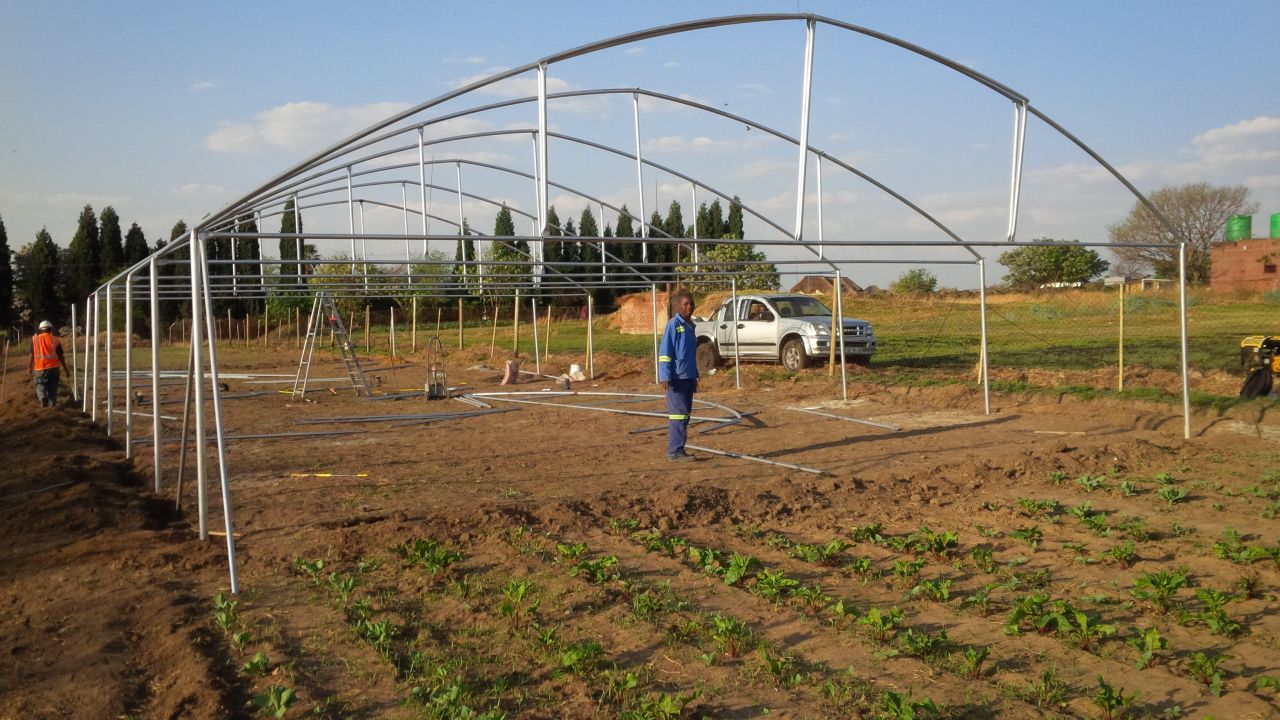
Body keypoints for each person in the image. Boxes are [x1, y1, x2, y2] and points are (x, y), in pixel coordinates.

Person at [658, 290, 699, 462]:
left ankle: (679, 449)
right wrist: (665, 375)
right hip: (676, 378)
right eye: (686, 304)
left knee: (685, 415)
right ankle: (674, 452)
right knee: (678, 415)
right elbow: (665, 352)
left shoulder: (690, 326)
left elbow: (690, 355)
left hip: (687, 377)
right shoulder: (673, 325)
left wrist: (694, 377)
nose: (689, 307)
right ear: (678, 306)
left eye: (691, 303)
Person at [29, 320, 69, 408]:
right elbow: (60, 356)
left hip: (40, 368)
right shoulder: (55, 339)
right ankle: (53, 401)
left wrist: (30, 367)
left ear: (40, 329)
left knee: (40, 384)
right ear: (51, 329)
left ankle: (43, 397)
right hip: (54, 368)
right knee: (53, 386)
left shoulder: (35, 339)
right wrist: (66, 370)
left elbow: (32, 355)